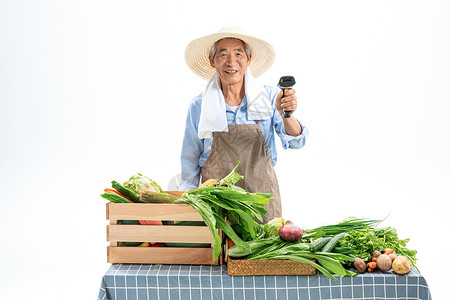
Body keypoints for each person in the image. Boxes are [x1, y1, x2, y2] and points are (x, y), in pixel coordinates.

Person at [179, 27, 308, 223]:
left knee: (263, 253)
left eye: (238, 53)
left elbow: (296, 142)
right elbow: (189, 160)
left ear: (248, 60)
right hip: (216, 204)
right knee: (216, 253)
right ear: (212, 61)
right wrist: (187, 206)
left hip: (262, 203)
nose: (231, 62)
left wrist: (286, 115)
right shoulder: (199, 105)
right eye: (223, 54)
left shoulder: (270, 98)